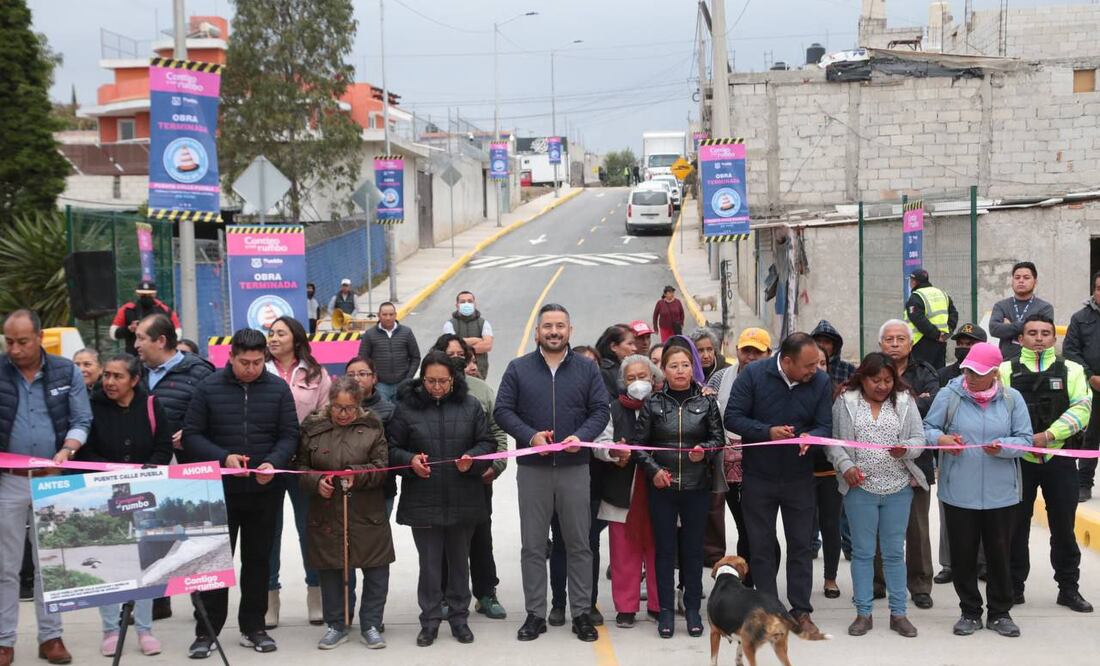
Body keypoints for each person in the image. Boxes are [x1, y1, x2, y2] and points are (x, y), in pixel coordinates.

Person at [495, 304, 609, 643]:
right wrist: (530, 436)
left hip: (575, 469)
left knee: (579, 544)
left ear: (570, 331)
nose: (554, 331)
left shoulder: (588, 370)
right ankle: (534, 614)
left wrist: (583, 437)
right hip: (534, 470)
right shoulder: (518, 369)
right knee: (532, 545)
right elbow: (503, 410)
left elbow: (600, 410)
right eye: (548, 326)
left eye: (560, 326)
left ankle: (582, 614)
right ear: (537, 332)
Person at [182, 328, 299, 658]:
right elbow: (192, 435)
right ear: (230, 357)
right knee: (213, 563)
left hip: (264, 490)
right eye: (244, 362)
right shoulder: (208, 388)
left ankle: (254, 626)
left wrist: (272, 463)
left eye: (257, 362)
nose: (250, 368)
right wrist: (224, 458)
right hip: (217, 490)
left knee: (258, 561)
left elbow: (290, 435)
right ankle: (206, 631)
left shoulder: (277, 390)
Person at [0, 309, 92, 666]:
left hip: (53, 481)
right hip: (8, 483)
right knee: (5, 566)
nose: (15, 349)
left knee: (51, 564)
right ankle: (4, 641)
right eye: (9, 341)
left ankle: (51, 637)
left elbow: (82, 418)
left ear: (39, 338)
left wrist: (68, 449)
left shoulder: (65, 371)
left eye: (22, 341)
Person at [724, 332, 831, 637]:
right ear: (786, 361)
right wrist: (766, 431)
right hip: (759, 477)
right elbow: (733, 417)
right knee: (761, 547)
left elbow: (825, 424)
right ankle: (769, 609)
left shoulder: (821, 383)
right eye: (808, 365)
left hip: (800, 478)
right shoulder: (754, 375)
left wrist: (813, 437)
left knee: (801, 545)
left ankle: (801, 610)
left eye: (816, 364)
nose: (814, 370)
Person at [923, 342, 1031, 638]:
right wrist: (942, 439)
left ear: (995, 373)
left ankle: (1000, 613)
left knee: (999, 554)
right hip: (958, 492)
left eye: (978, 373)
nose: (970, 376)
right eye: (968, 370)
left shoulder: (1012, 399)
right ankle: (969, 612)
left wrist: (1003, 448)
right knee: (963, 555)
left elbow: (1025, 440)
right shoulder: (949, 395)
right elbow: (926, 429)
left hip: (1002, 495)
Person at [388, 352, 495, 647]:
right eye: (430, 381)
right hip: (423, 497)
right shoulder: (406, 408)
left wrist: (471, 458)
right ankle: (430, 620)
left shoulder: (470, 405)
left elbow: (488, 442)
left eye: (442, 381)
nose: (436, 387)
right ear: (422, 379)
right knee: (430, 564)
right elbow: (390, 448)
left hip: (464, 495)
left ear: (453, 380)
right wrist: (410, 461)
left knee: (460, 562)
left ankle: (459, 618)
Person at [78, 354, 173, 657]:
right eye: (106, 375)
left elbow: (164, 445)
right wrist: (109, 472)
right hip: (104, 492)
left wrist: (147, 470)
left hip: (145, 492)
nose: (109, 382)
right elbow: (85, 450)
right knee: (109, 559)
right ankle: (110, 629)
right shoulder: (92, 407)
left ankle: (144, 629)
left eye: (118, 376)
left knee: (145, 562)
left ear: (134, 380)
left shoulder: (151, 404)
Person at [828, 353, 925, 638]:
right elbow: (833, 443)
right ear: (862, 378)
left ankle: (899, 614)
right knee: (863, 553)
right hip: (859, 489)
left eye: (888, 380)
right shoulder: (845, 402)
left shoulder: (905, 402)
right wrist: (845, 466)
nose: (882, 386)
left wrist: (906, 448)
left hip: (898, 488)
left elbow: (920, 439)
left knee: (895, 553)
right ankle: (863, 613)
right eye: (875, 380)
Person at [1000, 315, 1093, 613]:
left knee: (1064, 529)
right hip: (1019, 461)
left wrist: (1049, 435)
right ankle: (1014, 588)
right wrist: (1023, 439)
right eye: (1032, 333)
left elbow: (1082, 407)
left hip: (1060, 458)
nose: (1039, 338)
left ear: (1054, 338)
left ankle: (1069, 589)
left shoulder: (1073, 370)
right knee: (1015, 529)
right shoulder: (1004, 370)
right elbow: (997, 409)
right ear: (1021, 338)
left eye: (1045, 333)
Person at [633, 345, 722, 639]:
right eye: (674, 366)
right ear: (665, 371)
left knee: (694, 551)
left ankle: (694, 610)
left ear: (692, 368)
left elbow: (717, 439)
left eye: (685, 365)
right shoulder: (653, 403)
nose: (680, 371)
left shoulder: (707, 402)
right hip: (663, 487)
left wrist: (705, 452)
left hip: (697, 487)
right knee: (665, 552)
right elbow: (639, 446)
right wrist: (654, 471)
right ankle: (666, 613)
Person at [298, 378, 393, 650]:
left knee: (376, 569)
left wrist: (358, 476)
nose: (342, 414)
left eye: (349, 408)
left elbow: (381, 467)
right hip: (327, 512)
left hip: (366, 512)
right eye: (337, 408)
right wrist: (316, 482)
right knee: (331, 569)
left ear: (358, 405)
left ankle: (371, 624)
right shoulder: (313, 427)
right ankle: (336, 624)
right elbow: (299, 468)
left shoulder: (373, 426)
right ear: (329, 403)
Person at [133, 313, 214, 621]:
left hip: (189, 465)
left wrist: (192, 432)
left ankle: (204, 606)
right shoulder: (134, 372)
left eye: (141, 338)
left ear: (161, 341)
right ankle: (154, 602)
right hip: (150, 466)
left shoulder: (199, 371)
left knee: (192, 534)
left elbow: (216, 411)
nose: (136, 344)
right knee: (149, 531)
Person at [433, 335, 510, 621]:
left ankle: (486, 593)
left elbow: (498, 433)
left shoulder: (482, 391)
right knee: (440, 541)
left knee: (480, 538)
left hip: (477, 480)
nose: (454, 358)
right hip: (439, 482)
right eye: (448, 353)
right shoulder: (425, 391)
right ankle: (441, 594)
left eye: (459, 354)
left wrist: (497, 464)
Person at [264, 316, 332, 628]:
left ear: (296, 338)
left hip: (305, 464)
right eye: (271, 333)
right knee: (268, 533)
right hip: (267, 463)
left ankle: (315, 593)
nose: (273, 338)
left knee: (311, 530)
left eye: (280, 333)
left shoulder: (316, 373)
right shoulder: (259, 370)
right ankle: (269, 598)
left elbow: (327, 415)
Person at [592, 355, 663, 628]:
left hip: (658, 490)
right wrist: (612, 452)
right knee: (623, 553)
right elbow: (599, 443)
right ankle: (625, 607)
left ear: (654, 378)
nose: (637, 383)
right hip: (621, 491)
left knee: (659, 550)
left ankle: (658, 604)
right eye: (631, 378)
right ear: (623, 382)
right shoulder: (612, 409)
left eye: (642, 377)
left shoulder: (665, 405)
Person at [878, 319, 938, 609]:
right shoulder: (870, 369)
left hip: (917, 462)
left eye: (900, 339)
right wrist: (913, 400)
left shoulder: (925, 372)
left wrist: (899, 403)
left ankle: (920, 585)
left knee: (917, 528)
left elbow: (932, 406)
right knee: (878, 526)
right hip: (877, 460)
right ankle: (877, 582)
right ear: (880, 344)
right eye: (889, 339)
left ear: (910, 344)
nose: (894, 344)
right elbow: (865, 406)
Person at [708, 328, 772, 586]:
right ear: (737, 351)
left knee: (762, 530)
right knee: (746, 526)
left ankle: (760, 581)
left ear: (769, 353)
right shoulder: (720, 379)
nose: (751, 357)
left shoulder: (777, 381)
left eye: (757, 352)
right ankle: (748, 583)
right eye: (747, 351)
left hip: (767, 466)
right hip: (732, 469)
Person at [934, 322, 988, 585]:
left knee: (984, 515)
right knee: (949, 514)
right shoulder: (945, 375)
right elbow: (935, 415)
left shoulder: (992, 378)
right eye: (960, 342)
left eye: (970, 343)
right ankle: (949, 564)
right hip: (953, 455)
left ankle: (982, 563)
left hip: (985, 457)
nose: (963, 347)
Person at [1063, 270, 1100, 502]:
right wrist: (1090, 376)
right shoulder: (1080, 318)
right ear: (1093, 290)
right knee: (1090, 437)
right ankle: (1084, 483)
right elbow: (1070, 350)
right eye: (1099, 288)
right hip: (1093, 387)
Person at [344, 357, 397, 518]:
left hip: (380, 487)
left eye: (362, 374)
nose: (356, 378)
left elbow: (393, 449)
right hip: (346, 484)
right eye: (350, 375)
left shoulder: (389, 410)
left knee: (377, 539)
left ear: (374, 378)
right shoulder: (337, 409)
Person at [811, 344, 843, 601]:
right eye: (813, 364)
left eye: (822, 364)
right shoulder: (795, 393)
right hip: (800, 473)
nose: (818, 369)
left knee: (831, 526)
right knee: (801, 530)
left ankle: (830, 578)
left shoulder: (838, 397)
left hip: (830, 473)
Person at [989, 262, 1054, 361]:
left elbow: (1042, 332)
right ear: (1012, 281)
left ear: (1035, 282)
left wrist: (1008, 326)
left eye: (1026, 277)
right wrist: (1028, 327)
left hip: (1035, 360)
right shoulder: (1001, 305)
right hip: (1007, 361)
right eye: (1017, 277)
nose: (1021, 281)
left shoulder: (1045, 307)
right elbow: (994, 329)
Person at [357, 302, 420, 401]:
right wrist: (373, 377)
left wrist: (408, 378)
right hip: (380, 385)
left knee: (401, 413)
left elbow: (415, 357)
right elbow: (362, 359)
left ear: (395, 315)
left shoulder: (406, 332)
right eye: (384, 314)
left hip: (402, 383)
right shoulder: (369, 334)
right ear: (378, 315)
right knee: (382, 414)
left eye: (391, 314)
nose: (388, 318)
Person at [904, 269, 958, 370]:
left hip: (921, 342)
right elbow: (954, 314)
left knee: (921, 374)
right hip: (941, 341)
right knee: (938, 373)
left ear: (914, 282)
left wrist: (936, 334)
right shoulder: (942, 294)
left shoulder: (916, 297)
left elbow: (918, 319)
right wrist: (948, 332)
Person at [110, 280, 181, 356]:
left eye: (149, 294)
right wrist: (129, 329)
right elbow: (113, 334)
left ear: (154, 294)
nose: (146, 296)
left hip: (158, 356)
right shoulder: (126, 309)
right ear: (137, 293)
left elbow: (177, 334)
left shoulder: (166, 310)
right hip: (134, 356)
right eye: (142, 294)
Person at [443, 291, 494, 380]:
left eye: (470, 301)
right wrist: (477, 340)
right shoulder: (449, 324)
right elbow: (453, 345)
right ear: (457, 305)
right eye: (462, 302)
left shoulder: (484, 323)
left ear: (474, 304)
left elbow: (487, 345)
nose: (466, 304)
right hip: (457, 372)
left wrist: (462, 347)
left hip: (479, 371)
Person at [938, 323, 988, 388]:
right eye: (960, 343)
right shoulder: (941, 375)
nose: (963, 347)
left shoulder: (991, 374)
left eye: (969, 344)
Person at [595, 324, 636, 396]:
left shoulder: (623, 366)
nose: (634, 348)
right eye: (630, 344)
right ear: (613, 346)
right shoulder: (604, 372)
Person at [811, 320, 855, 385]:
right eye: (818, 341)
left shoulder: (848, 369)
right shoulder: (806, 368)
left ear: (834, 346)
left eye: (827, 342)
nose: (822, 345)